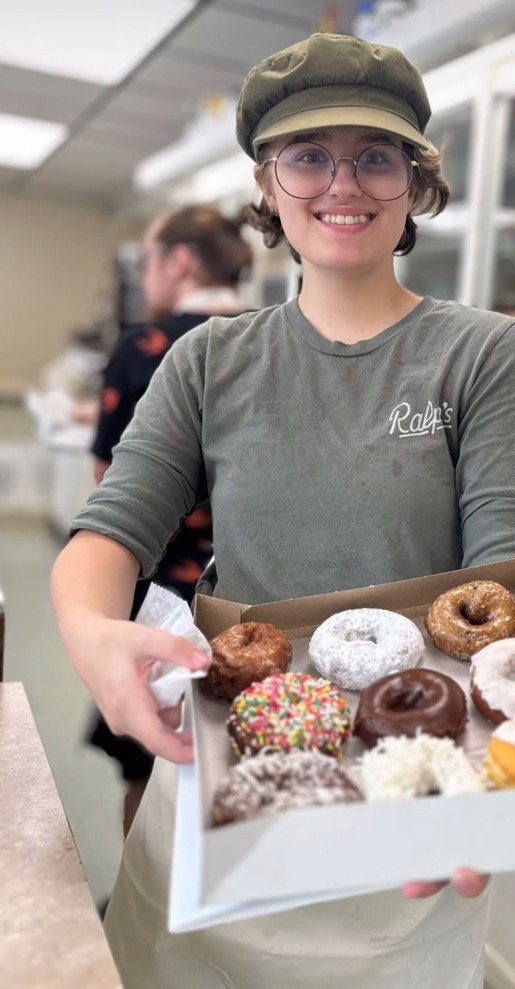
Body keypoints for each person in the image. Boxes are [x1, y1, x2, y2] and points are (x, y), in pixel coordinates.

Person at [51, 33, 515, 989]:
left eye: (376, 155)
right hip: (221, 784)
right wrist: (87, 630)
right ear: (267, 184)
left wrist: (482, 786)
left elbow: (502, 581)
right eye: (307, 155)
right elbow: (111, 531)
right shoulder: (209, 360)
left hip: (405, 788)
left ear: (415, 180)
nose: (343, 183)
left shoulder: (483, 356)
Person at [87, 205, 252, 835]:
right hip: (257, 593)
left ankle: (149, 894)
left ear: (180, 261)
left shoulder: (147, 345)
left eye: (150, 258)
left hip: (164, 593)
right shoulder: (278, 341)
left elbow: (113, 487)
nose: (146, 273)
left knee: (150, 755)